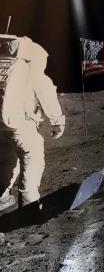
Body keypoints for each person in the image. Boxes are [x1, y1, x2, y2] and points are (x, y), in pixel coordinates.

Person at [0, 35, 65, 210]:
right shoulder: (31, 71)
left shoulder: (5, 66)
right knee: (32, 156)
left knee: (7, 162)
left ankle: (2, 197)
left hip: (2, 126)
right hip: (20, 125)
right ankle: (29, 205)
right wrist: (58, 123)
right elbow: (47, 97)